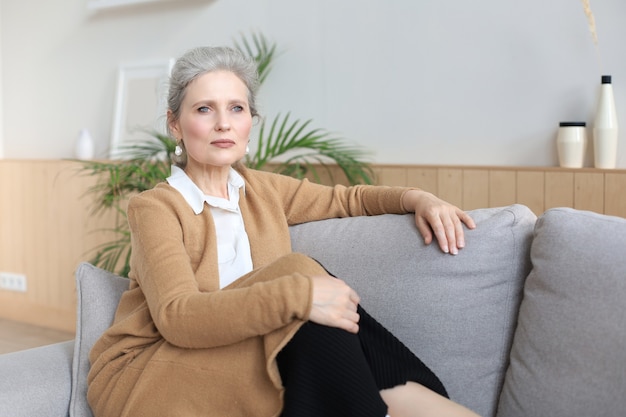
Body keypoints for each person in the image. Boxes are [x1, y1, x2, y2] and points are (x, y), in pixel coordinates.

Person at [87, 46, 480, 417]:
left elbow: (348, 201)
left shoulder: (261, 190)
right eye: (205, 109)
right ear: (175, 123)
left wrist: (418, 198)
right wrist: (299, 295)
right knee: (301, 279)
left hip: (241, 350)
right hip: (152, 371)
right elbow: (178, 318)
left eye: (236, 108)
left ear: (250, 121)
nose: (223, 123)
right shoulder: (155, 207)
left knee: (313, 325)